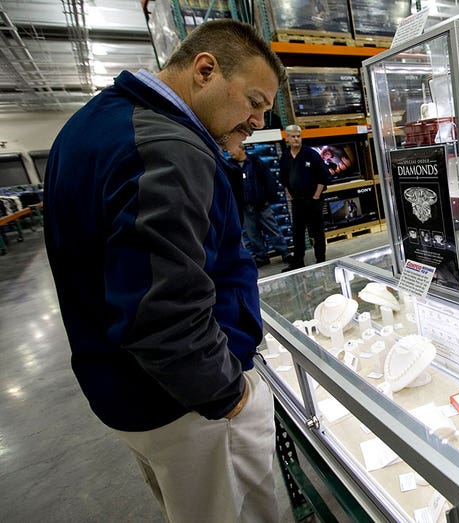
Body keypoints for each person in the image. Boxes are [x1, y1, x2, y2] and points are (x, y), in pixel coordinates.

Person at [43, 20, 286, 523]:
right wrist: (230, 397)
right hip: (188, 407)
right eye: (255, 101)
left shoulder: (92, 123)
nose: (259, 120)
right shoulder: (170, 149)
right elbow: (163, 313)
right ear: (205, 70)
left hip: (127, 393)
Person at [229, 143, 293, 267]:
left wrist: (269, 198)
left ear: (241, 149)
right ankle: (262, 257)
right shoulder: (230, 166)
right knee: (252, 234)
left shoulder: (255, 162)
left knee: (272, 229)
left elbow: (269, 180)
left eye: (232, 149)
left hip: (261, 205)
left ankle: (285, 253)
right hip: (245, 207)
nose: (230, 153)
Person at [279, 124, 328, 270]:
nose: (296, 139)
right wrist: (289, 194)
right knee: (298, 232)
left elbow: (323, 176)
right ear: (287, 138)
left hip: (313, 200)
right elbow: (283, 178)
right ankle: (298, 261)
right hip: (297, 201)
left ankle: (321, 260)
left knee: (317, 231)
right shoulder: (286, 157)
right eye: (293, 136)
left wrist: (316, 195)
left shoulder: (310, 154)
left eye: (298, 136)